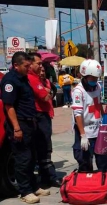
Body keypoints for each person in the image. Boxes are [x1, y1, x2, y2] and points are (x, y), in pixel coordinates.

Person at [0, 52, 50, 204]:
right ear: (16, 65)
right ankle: (25, 191)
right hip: (19, 123)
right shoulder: (10, 80)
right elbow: (9, 106)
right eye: (25, 66)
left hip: (30, 123)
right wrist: (16, 128)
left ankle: (33, 187)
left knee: (31, 157)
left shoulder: (24, 78)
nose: (28, 69)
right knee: (23, 158)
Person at [27, 53, 61, 188]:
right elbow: (46, 97)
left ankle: (46, 176)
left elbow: (49, 93)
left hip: (45, 114)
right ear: (31, 64)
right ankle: (48, 176)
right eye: (39, 64)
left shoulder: (42, 80)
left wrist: (48, 90)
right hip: (39, 115)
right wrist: (48, 92)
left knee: (45, 148)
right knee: (44, 147)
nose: (42, 67)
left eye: (42, 65)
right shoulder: (32, 79)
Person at [71, 59, 107, 172]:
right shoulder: (78, 91)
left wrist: (105, 122)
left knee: (104, 159)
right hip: (84, 131)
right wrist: (83, 135)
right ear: (84, 75)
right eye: (92, 78)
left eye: (96, 78)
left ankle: (105, 181)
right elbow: (77, 114)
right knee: (85, 162)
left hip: (97, 129)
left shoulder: (98, 87)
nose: (94, 81)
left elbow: (98, 105)